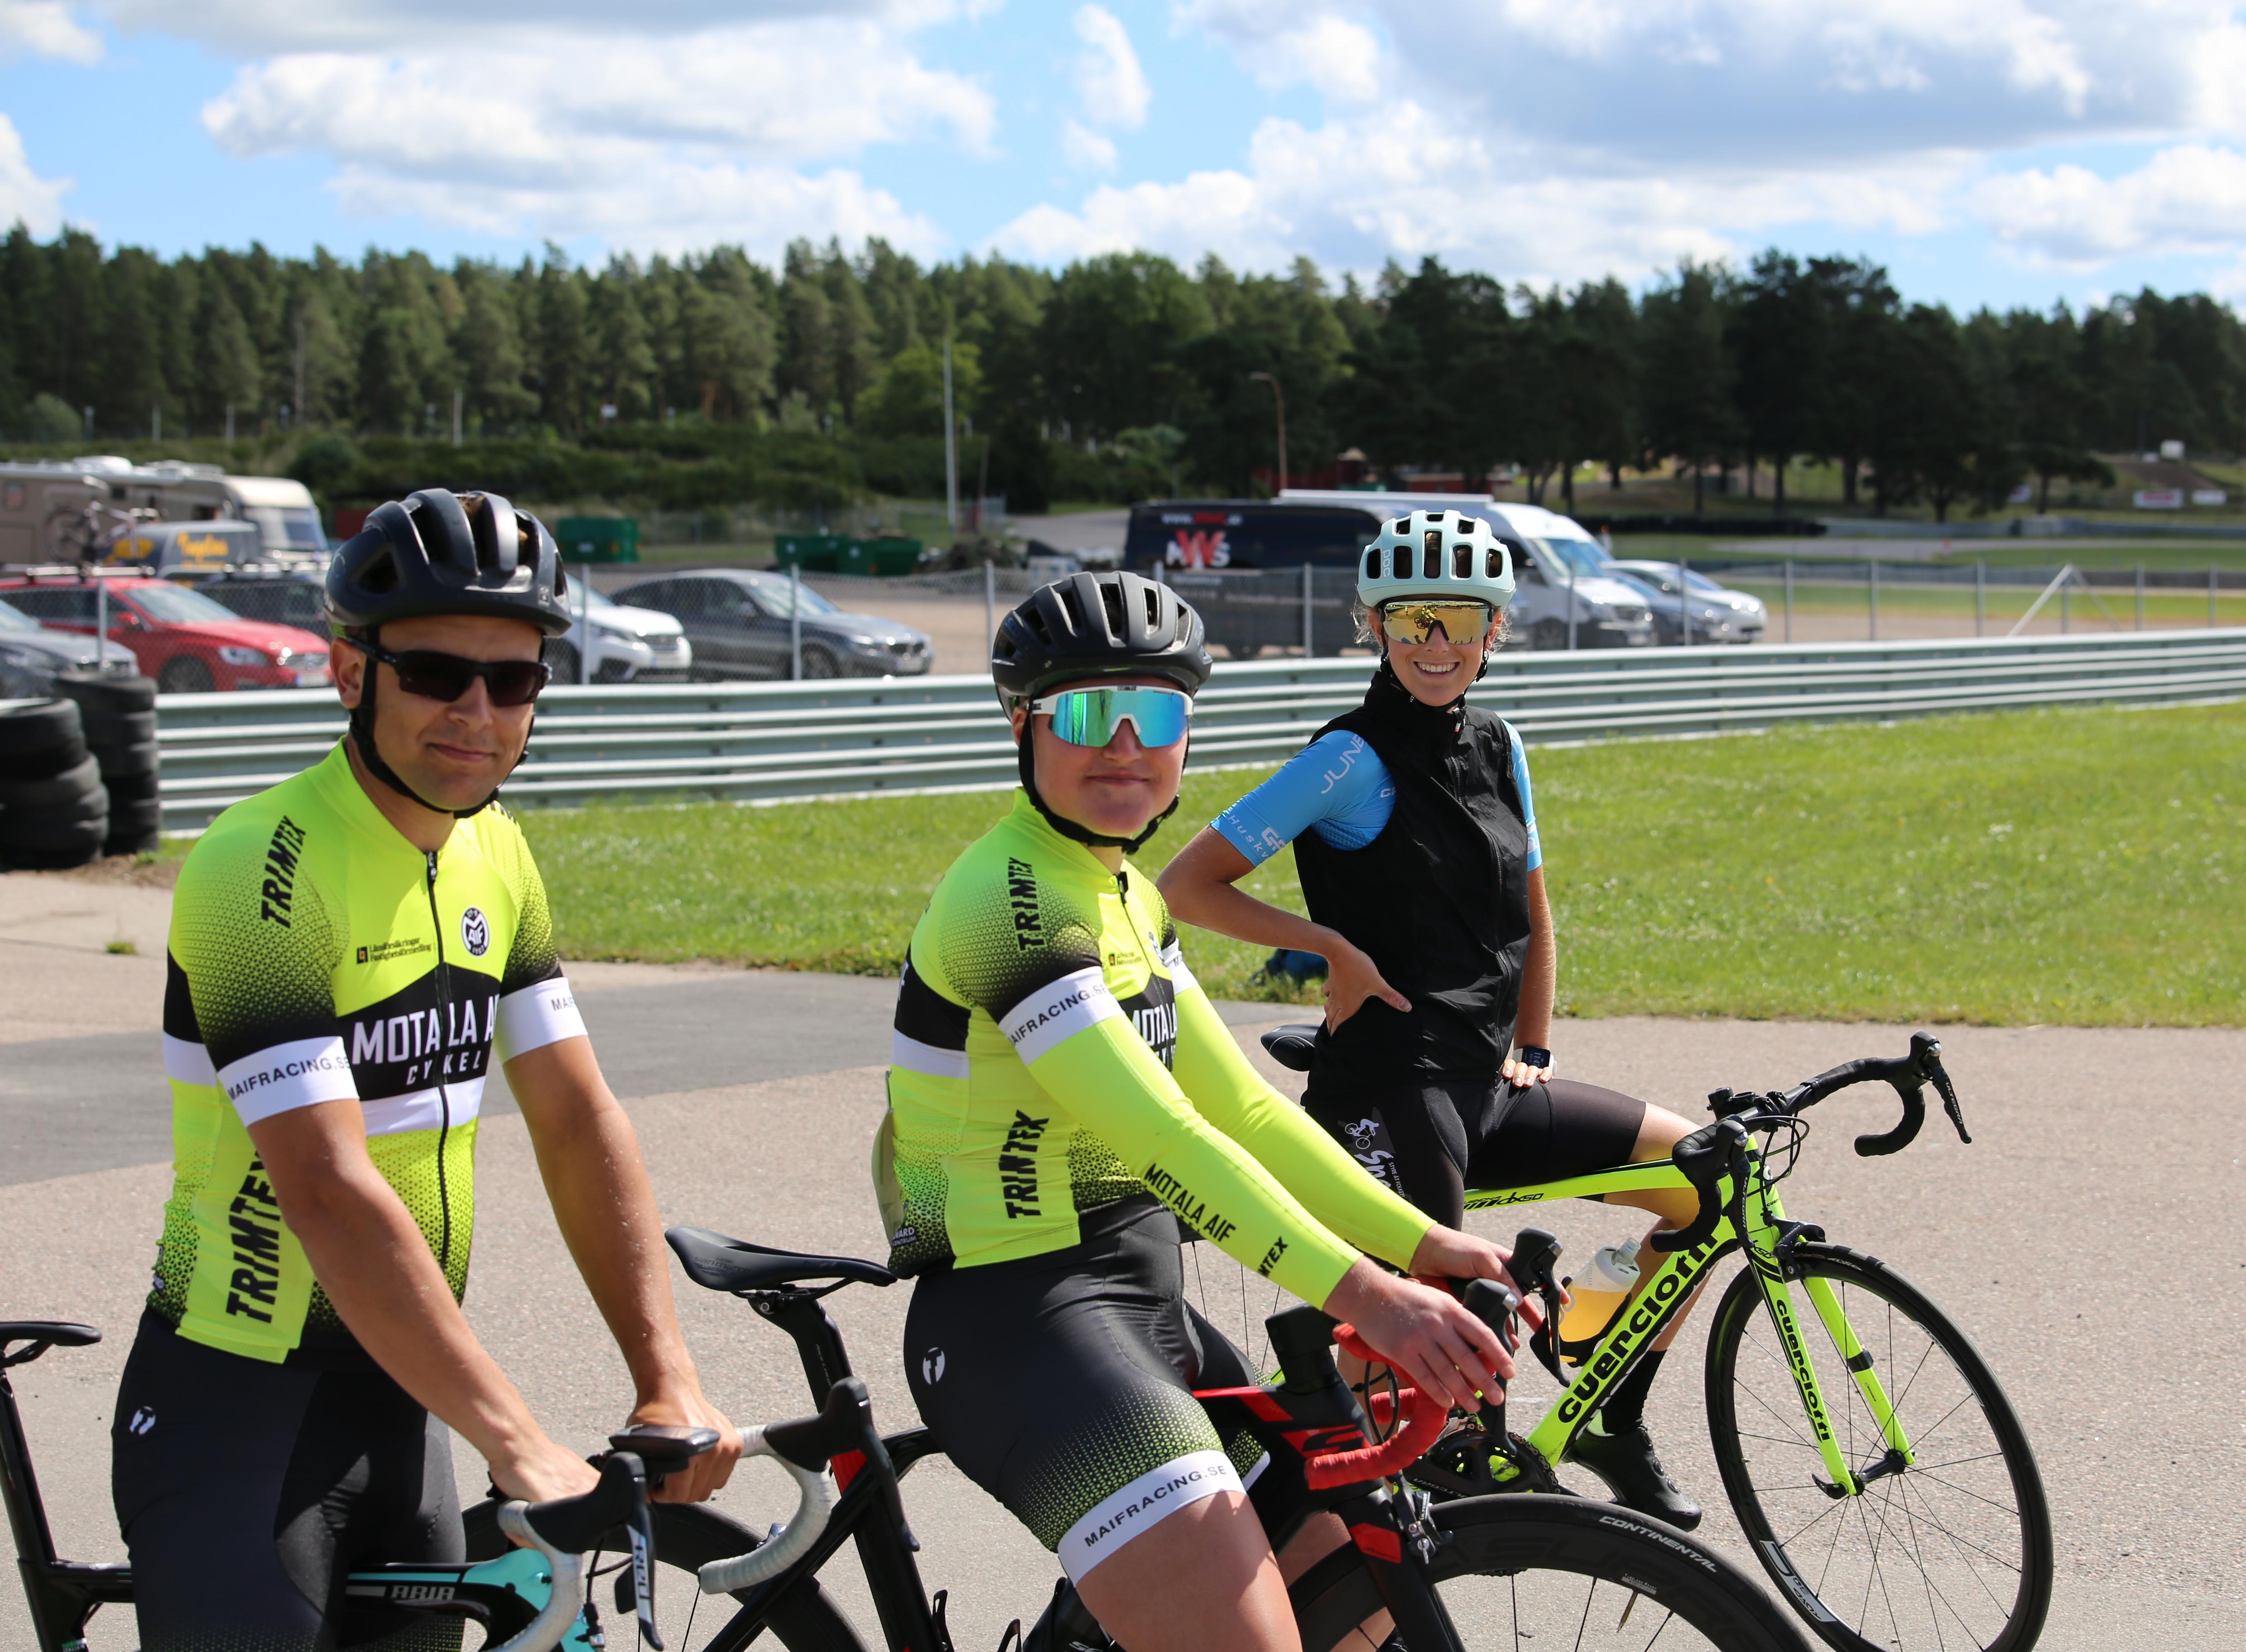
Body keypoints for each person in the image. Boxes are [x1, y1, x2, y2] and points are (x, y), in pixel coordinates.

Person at [117, 489, 738, 1652]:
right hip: (239, 1409)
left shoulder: (498, 851)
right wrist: (519, 1440)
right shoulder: (260, 869)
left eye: (514, 681)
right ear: (350, 673)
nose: (477, 713)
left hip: (405, 1401)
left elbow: (575, 1117)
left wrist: (667, 1375)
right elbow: (325, 1188)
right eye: (438, 674)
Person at [875, 571, 1521, 1652]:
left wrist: (1426, 1244)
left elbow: (1246, 1113)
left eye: (1158, 714)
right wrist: (1373, 1297)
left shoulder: (1128, 894)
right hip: (1018, 1318)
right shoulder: (1010, 901)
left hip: (1140, 1301)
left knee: (1353, 1603)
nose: (1125, 744)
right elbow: (1163, 1138)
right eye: (1089, 713)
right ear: (1024, 727)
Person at [1156, 511, 1705, 1528]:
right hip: (1390, 1087)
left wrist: (1533, 1041)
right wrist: (1330, 948)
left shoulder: (1501, 743)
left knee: (1700, 1182)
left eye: (1460, 620)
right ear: (1376, 629)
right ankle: (1296, 1536)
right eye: (1414, 622)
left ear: (1495, 630)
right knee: (1419, 1347)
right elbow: (1188, 886)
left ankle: (1605, 1402)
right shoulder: (1347, 759)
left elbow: (1533, 903)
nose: (1438, 645)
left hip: (1484, 1081)